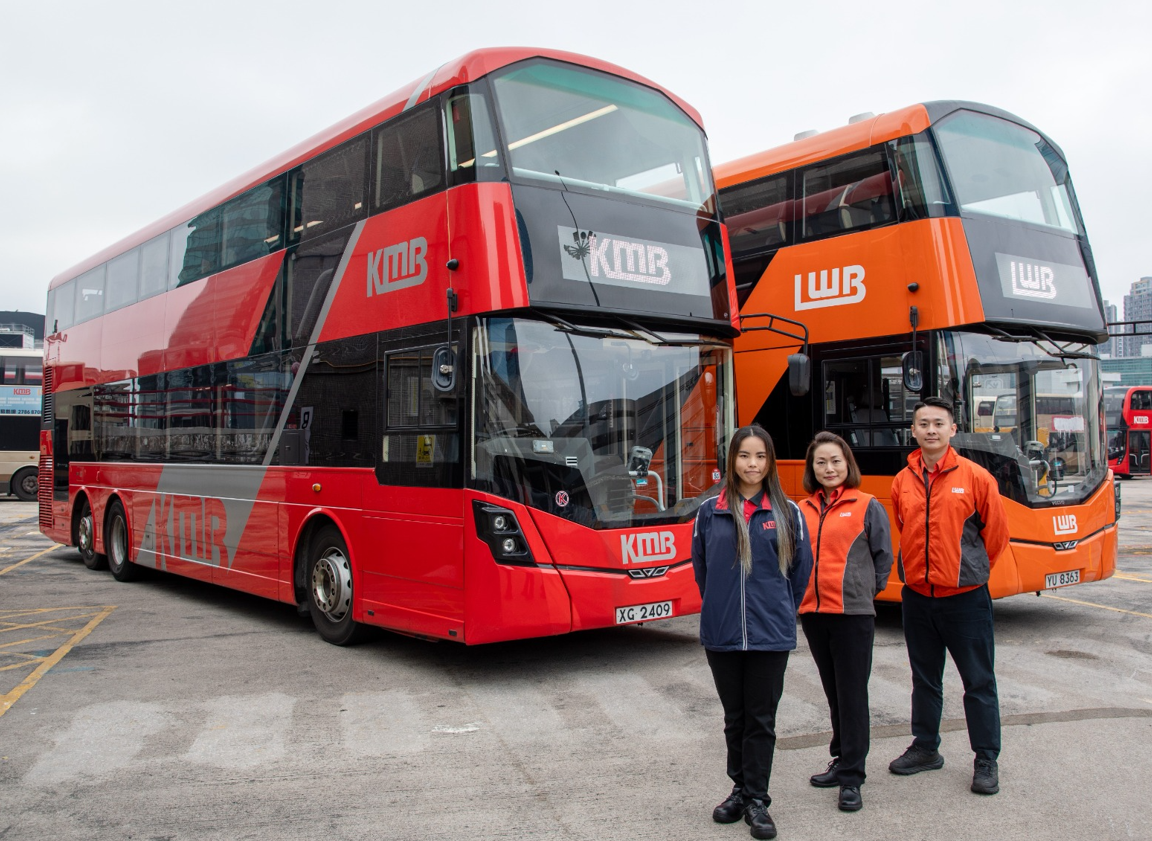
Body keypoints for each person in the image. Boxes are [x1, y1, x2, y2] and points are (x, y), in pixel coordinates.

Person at [692, 425, 813, 840]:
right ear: (732, 460)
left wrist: (776, 610)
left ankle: (758, 800)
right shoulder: (710, 511)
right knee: (734, 718)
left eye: (760, 456)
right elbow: (702, 572)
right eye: (745, 456)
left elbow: (799, 574)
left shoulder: (788, 512)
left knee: (761, 719)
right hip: (722, 634)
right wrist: (722, 609)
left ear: (770, 461)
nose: (752, 464)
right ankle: (739, 789)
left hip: (769, 635)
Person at [888, 396, 1009, 795]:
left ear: (953, 429)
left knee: (978, 681)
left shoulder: (976, 477)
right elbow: (903, 526)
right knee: (925, 679)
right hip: (918, 597)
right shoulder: (902, 480)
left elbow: (995, 538)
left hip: (965, 600)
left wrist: (965, 571)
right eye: (923, 423)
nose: (931, 430)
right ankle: (925, 748)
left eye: (939, 423)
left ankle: (986, 758)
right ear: (914, 430)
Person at [798, 432, 892, 812]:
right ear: (812, 469)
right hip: (814, 614)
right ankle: (840, 759)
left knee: (852, 696)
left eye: (835, 460)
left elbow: (882, 559)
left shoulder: (867, 505)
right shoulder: (800, 509)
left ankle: (853, 776)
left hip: (852, 615)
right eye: (821, 462)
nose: (829, 468)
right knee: (834, 692)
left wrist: (861, 593)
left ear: (847, 464)